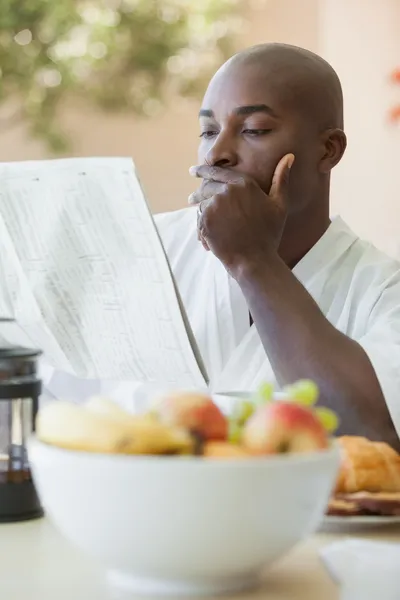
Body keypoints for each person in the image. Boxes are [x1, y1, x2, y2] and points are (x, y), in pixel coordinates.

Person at [42, 43, 400, 447]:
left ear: (327, 149)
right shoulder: (144, 251)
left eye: (254, 130)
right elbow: (52, 388)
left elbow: (374, 435)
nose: (217, 153)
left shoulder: (384, 291)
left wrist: (255, 261)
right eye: (209, 131)